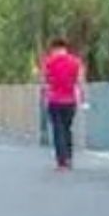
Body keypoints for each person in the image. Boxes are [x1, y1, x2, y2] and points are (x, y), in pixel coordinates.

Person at [39, 37, 84, 171]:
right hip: (70, 101)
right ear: (65, 48)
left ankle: (62, 162)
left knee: (58, 130)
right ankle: (69, 157)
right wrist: (81, 98)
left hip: (54, 100)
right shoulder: (76, 62)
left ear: (54, 48)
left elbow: (43, 82)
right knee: (67, 129)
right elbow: (80, 82)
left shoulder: (48, 62)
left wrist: (43, 97)